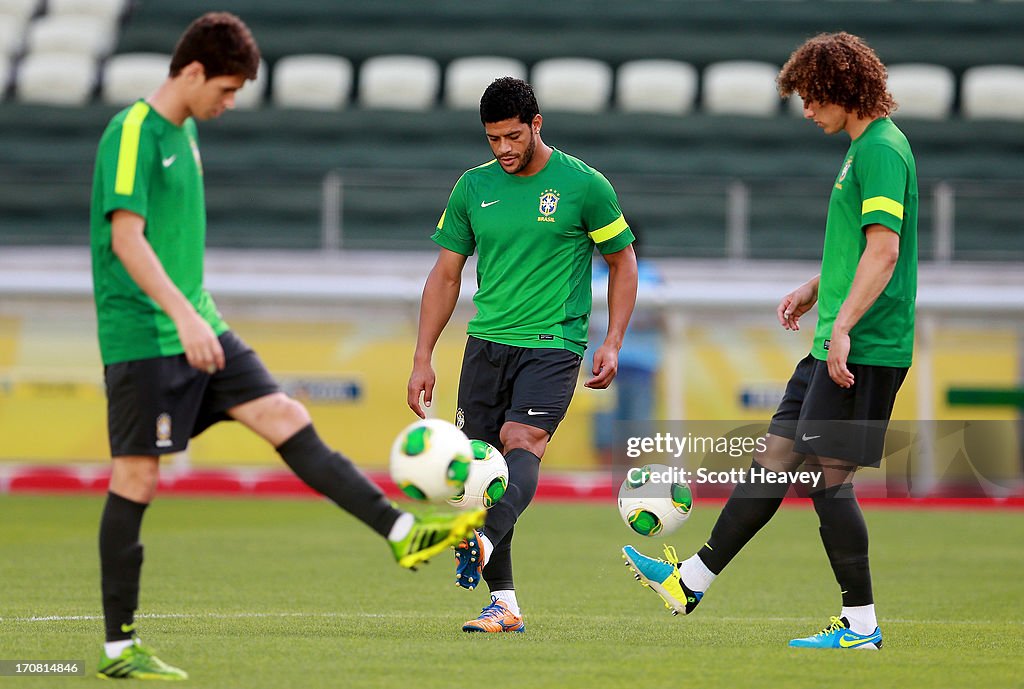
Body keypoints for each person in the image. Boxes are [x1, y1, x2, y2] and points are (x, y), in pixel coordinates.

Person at [90, 13, 483, 680]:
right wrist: (184, 318)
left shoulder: (184, 137)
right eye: (227, 88)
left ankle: (401, 533)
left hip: (198, 326)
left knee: (286, 416)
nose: (230, 103)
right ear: (191, 71)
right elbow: (127, 239)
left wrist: (197, 319)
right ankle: (118, 648)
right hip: (146, 335)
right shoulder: (133, 133)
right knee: (137, 477)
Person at [622, 31, 917, 651]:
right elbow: (861, 248)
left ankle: (861, 625)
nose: (807, 111)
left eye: (812, 98)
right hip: (833, 338)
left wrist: (841, 327)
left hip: (861, 345)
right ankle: (689, 583)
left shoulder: (881, 150)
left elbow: (885, 251)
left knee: (827, 480)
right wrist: (817, 290)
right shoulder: (863, 149)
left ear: (841, 87)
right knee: (775, 460)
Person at [407, 77, 638, 633]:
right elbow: (445, 275)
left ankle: (482, 538)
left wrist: (611, 340)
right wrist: (422, 356)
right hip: (486, 343)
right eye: (493, 140)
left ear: (537, 125)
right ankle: (504, 604)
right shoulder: (471, 188)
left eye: (514, 136)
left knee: (521, 442)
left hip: (552, 343)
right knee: (478, 469)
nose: (505, 149)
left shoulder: (584, 186)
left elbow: (622, 262)